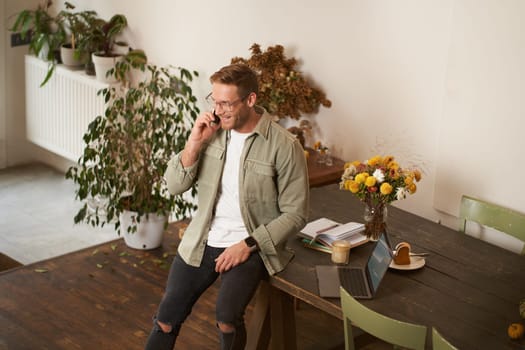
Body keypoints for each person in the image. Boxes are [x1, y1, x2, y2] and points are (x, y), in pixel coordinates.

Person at [144, 63, 309, 350]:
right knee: (166, 319)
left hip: (251, 244)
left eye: (226, 103)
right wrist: (194, 143)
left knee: (226, 318)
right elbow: (174, 185)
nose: (218, 110)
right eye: (214, 101)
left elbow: (296, 213)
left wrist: (247, 244)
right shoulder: (212, 133)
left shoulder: (284, 145)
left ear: (251, 100)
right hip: (203, 239)